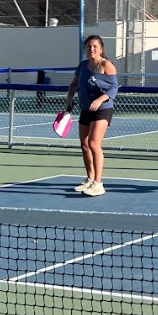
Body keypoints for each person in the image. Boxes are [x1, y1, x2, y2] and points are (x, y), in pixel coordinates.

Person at [63, 34, 118, 196]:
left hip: (103, 109)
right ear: (85, 49)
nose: (91, 49)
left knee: (94, 143)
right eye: (88, 46)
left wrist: (100, 99)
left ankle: (99, 184)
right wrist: (69, 99)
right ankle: (90, 179)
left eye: (95, 46)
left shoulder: (107, 65)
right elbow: (73, 85)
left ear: (101, 49)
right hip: (86, 108)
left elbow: (114, 88)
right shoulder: (82, 66)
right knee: (85, 144)